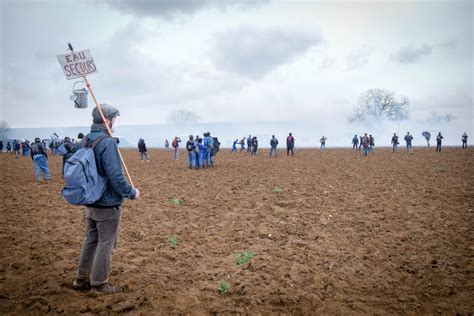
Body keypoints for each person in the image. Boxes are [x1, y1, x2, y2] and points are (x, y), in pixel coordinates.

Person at [73, 103, 140, 295]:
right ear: (107, 120)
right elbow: (115, 176)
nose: (116, 122)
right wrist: (131, 192)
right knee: (106, 242)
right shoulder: (108, 142)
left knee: (91, 239)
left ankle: (81, 278)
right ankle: (99, 283)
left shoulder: (85, 140)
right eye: (115, 119)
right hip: (107, 202)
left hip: (90, 199)